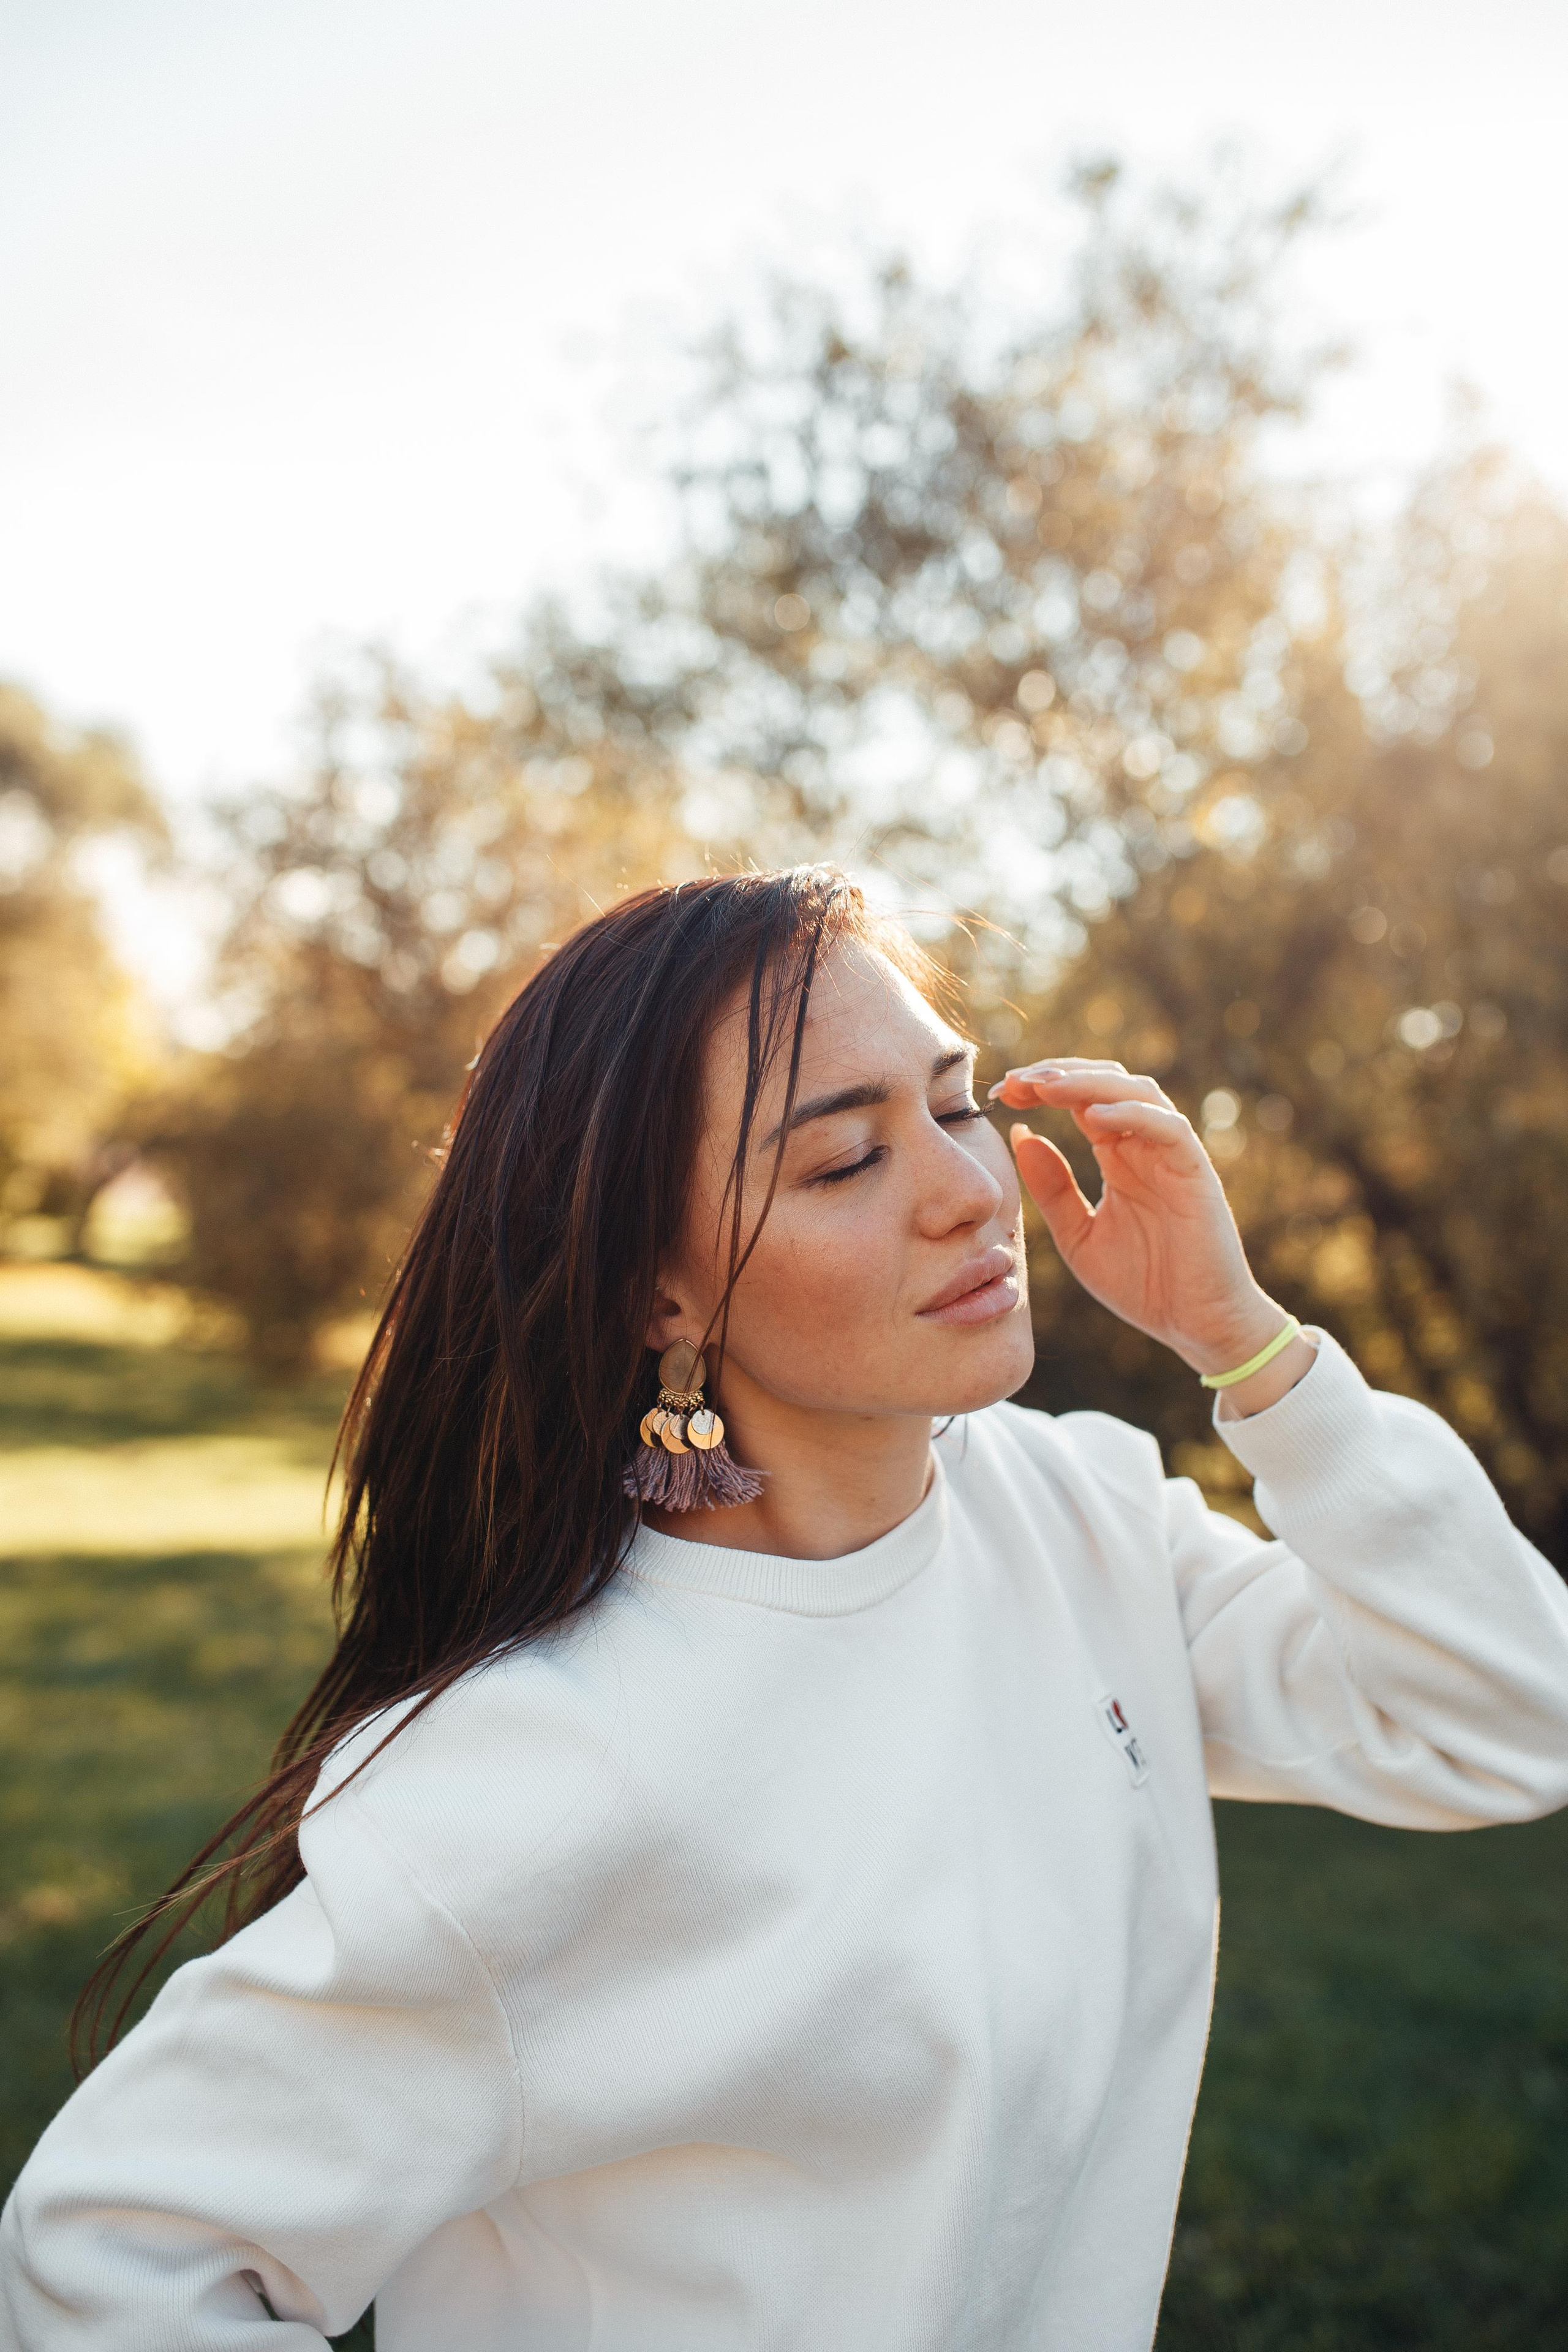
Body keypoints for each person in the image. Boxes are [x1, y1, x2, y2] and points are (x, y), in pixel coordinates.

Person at [4, 864, 1567, 2352]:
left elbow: (1509, 1717)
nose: (967, 1191)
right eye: (843, 1161)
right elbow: (110, 2260)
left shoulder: (1081, 1515)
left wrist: (1249, 1346)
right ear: (659, 1292)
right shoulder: (531, 1774)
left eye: (953, 1103)